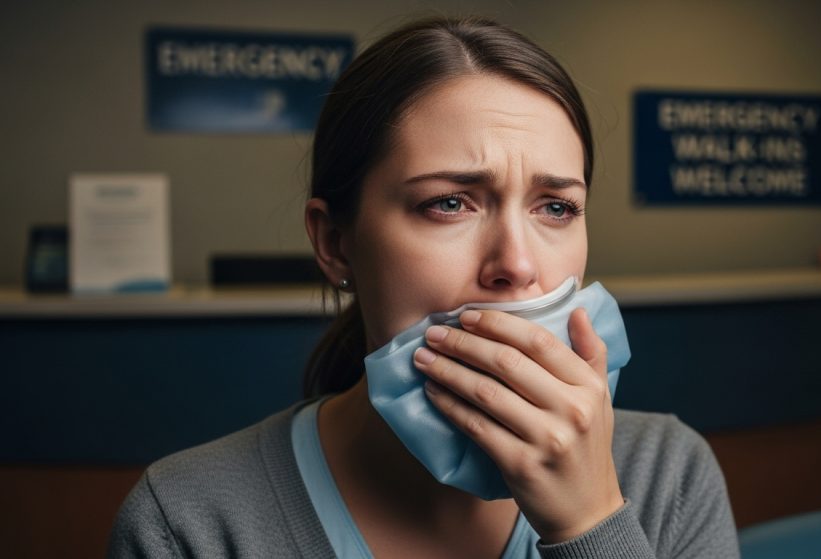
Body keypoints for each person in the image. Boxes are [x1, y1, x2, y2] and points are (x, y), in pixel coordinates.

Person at [108, 16, 739, 558]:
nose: (517, 265)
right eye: (449, 203)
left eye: (556, 208)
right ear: (334, 242)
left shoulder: (668, 473)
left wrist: (592, 525)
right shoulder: (188, 522)